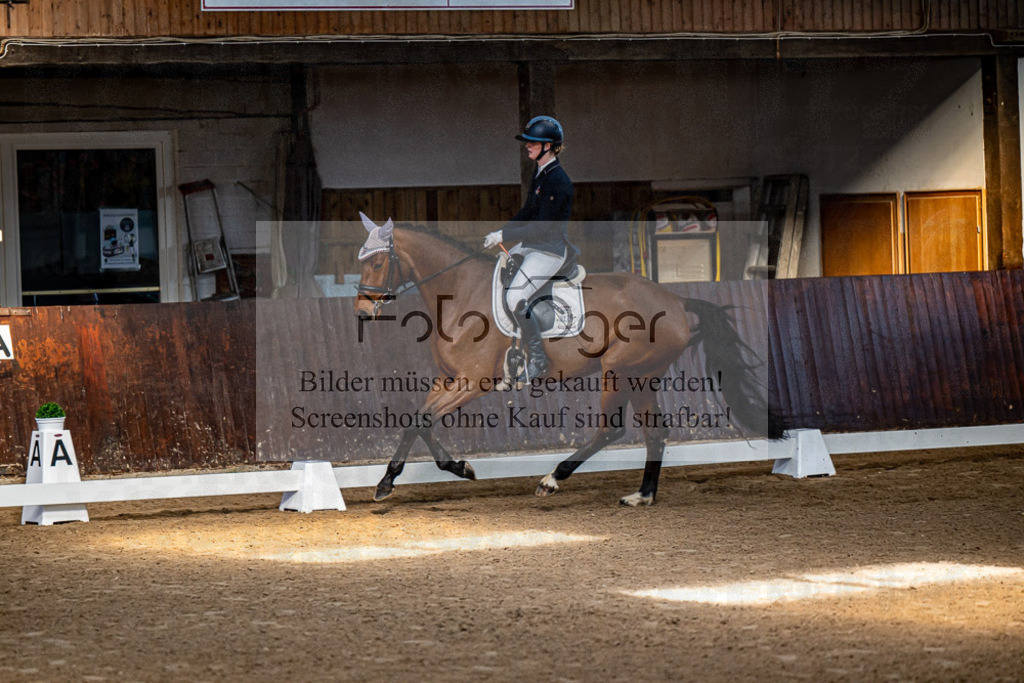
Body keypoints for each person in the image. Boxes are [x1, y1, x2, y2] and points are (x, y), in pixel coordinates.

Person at [483, 115, 575, 382]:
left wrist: (506, 233)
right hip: (535, 244)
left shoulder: (558, 180)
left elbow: (544, 226)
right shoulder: (540, 173)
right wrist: (501, 232)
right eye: (528, 142)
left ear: (548, 145)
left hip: (549, 250)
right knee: (500, 265)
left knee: (514, 298)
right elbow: (528, 212)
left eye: (533, 142)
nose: (527, 146)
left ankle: (538, 359)